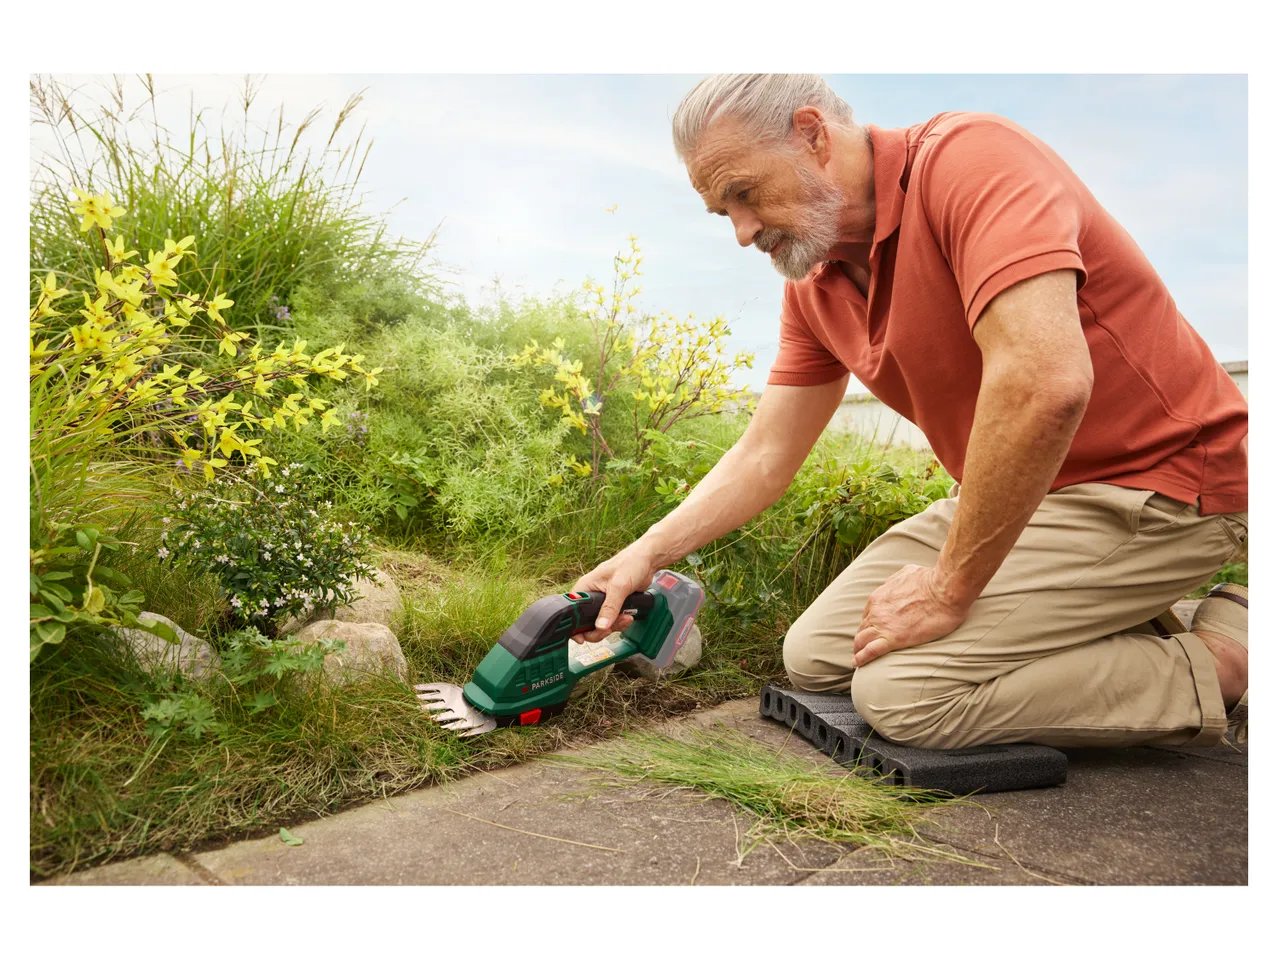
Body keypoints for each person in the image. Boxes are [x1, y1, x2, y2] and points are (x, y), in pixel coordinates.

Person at [572, 74, 1248, 750]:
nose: (744, 233)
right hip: (1028, 494)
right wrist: (647, 550)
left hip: (1164, 485)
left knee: (906, 695)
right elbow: (765, 453)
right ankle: (1101, 616)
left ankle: (1227, 656)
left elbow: (1046, 385)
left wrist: (952, 588)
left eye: (744, 194)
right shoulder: (816, 282)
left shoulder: (973, 163)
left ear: (812, 136)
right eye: (725, 213)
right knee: (817, 654)